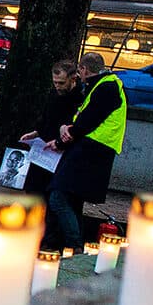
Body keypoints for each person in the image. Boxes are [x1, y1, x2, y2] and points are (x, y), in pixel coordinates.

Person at [44, 51, 127, 252]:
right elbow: (82, 117)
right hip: (93, 148)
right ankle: (70, 244)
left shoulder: (105, 87)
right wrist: (67, 128)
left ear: (83, 69)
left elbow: (86, 121)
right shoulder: (105, 84)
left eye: (80, 71)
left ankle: (75, 245)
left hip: (93, 149)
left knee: (59, 196)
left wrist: (62, 139)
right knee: (72, 198)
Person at [19, 61, 85, 197]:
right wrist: (35, 132)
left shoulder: (79, 98)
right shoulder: (54, 94)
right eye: (55, 82)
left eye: (61, 83)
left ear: (73, 79)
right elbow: (47, 117)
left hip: (61, 151)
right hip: (44, 148)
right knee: (33, 190)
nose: (57, 86)